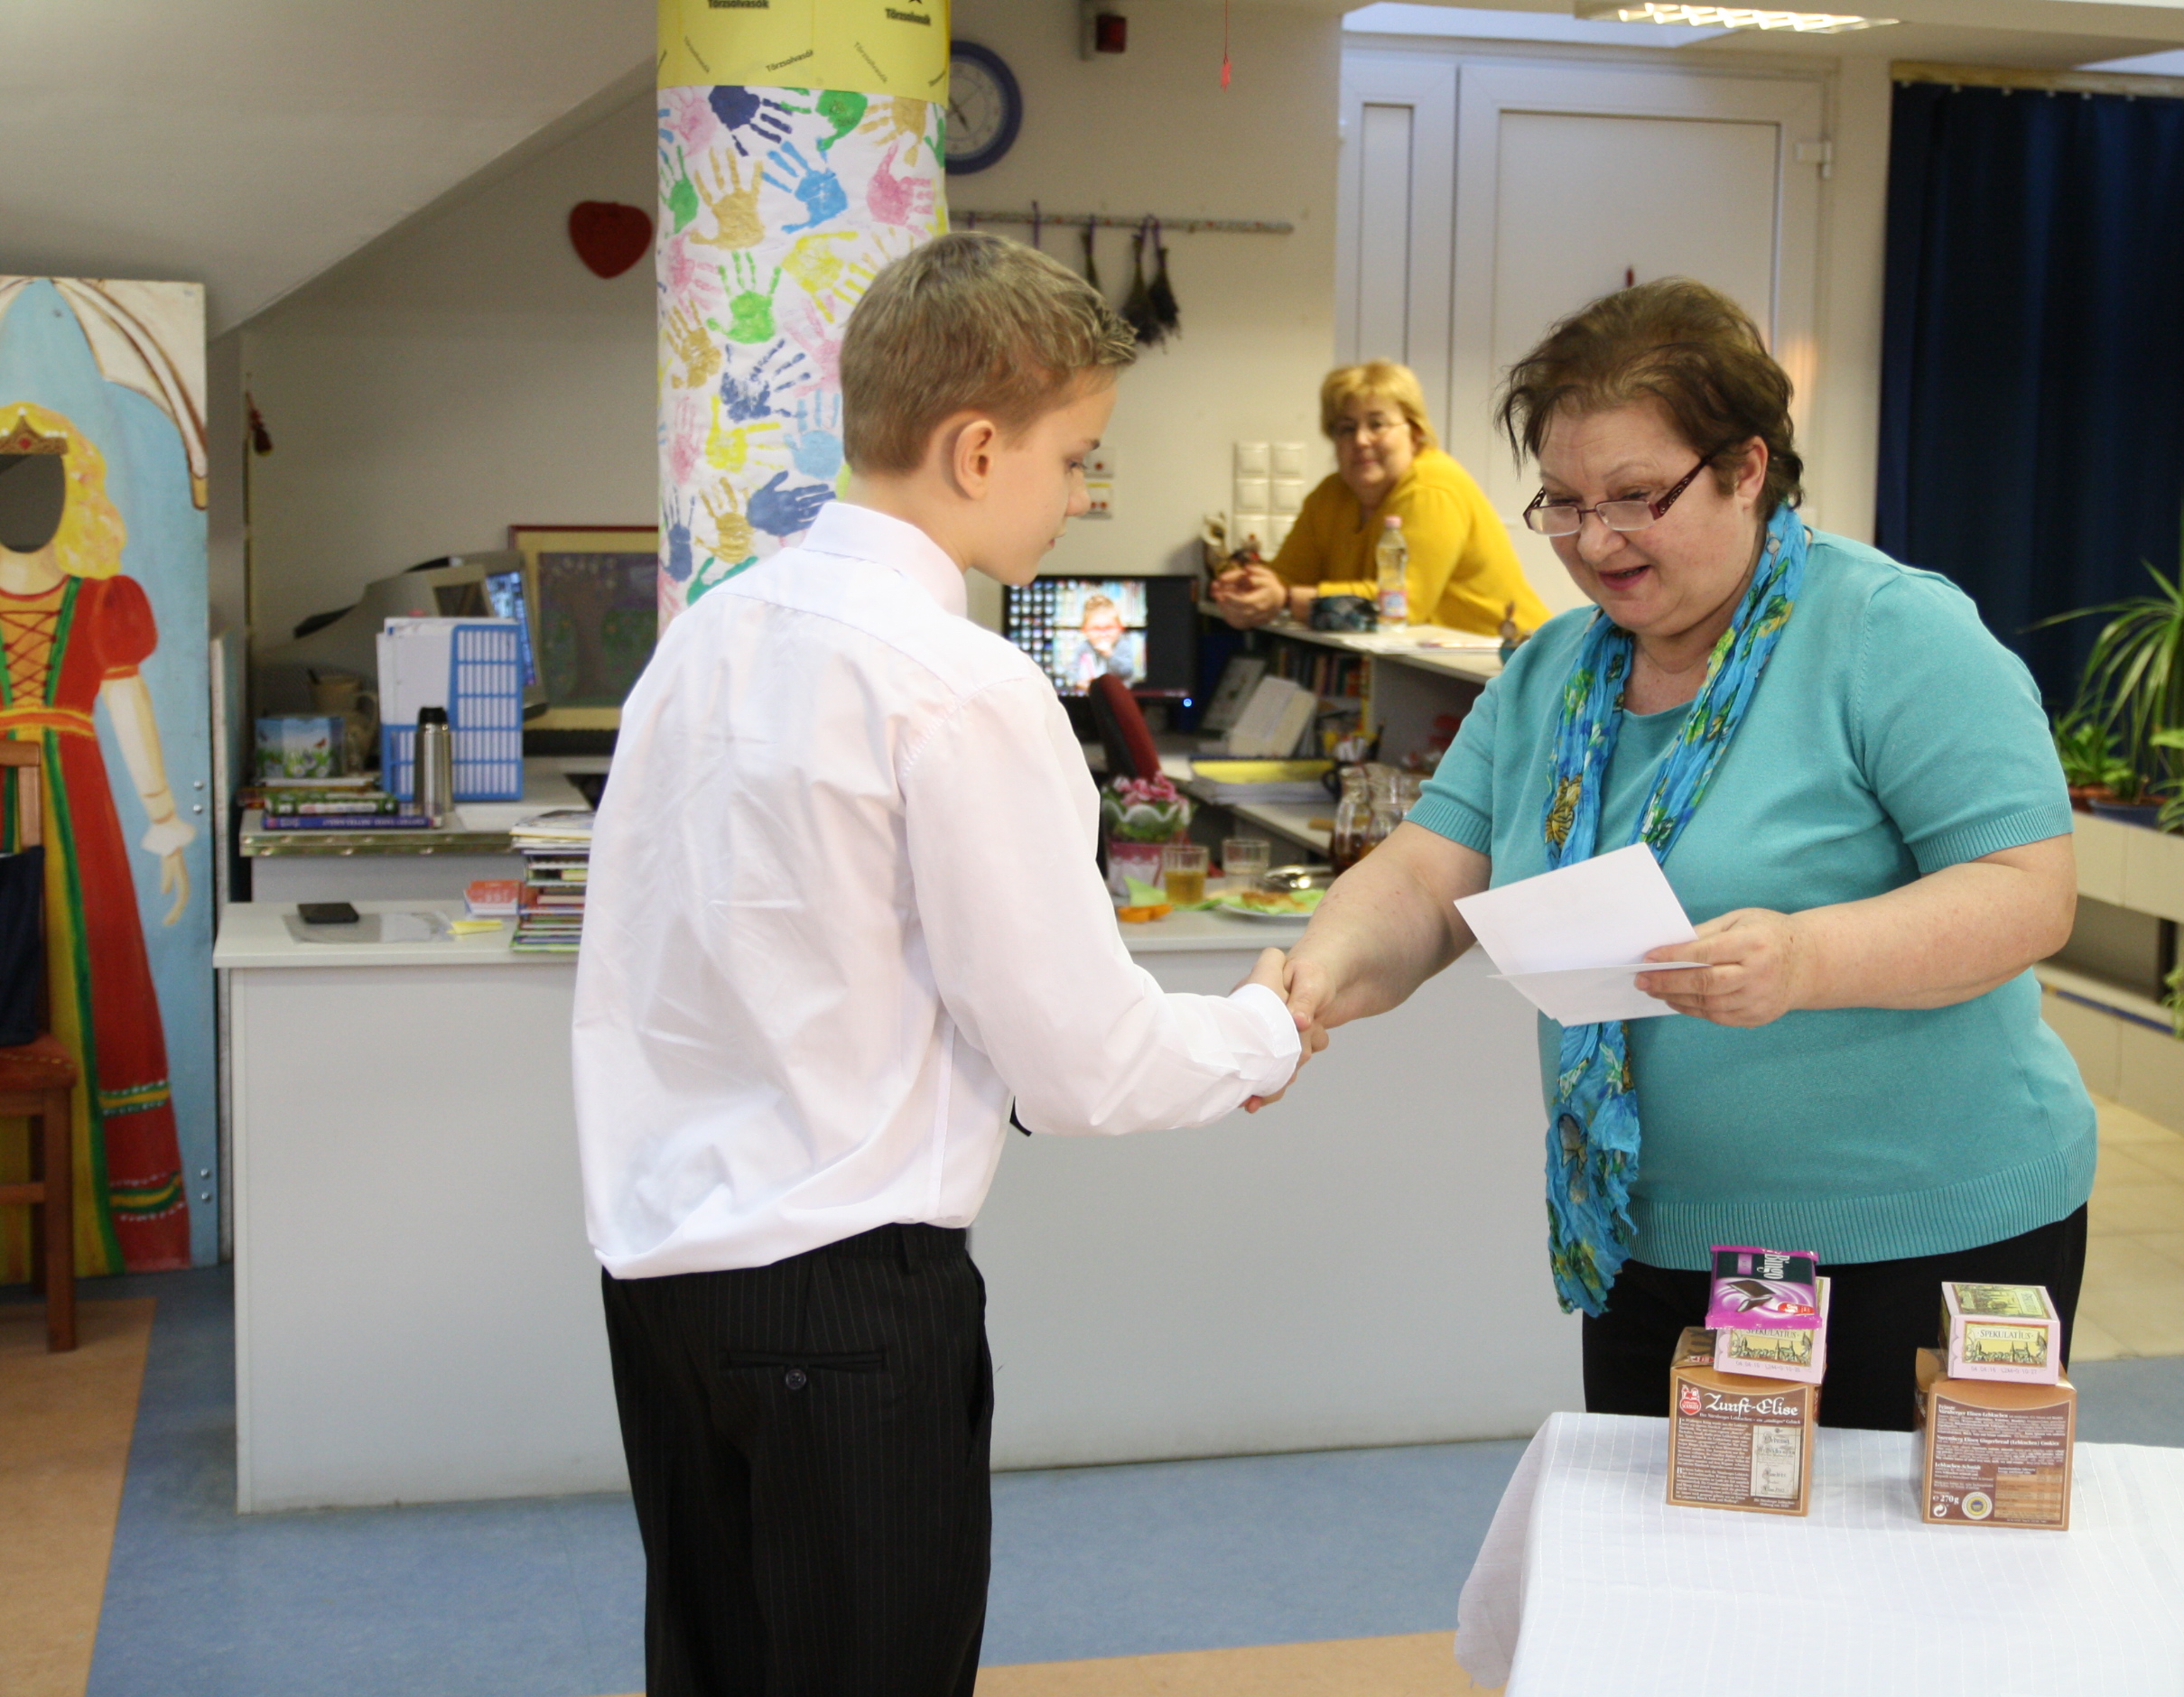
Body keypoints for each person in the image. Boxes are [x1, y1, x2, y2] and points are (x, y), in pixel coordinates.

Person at [573, 233, 1317, 1697]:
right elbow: (1081, 1064)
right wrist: (1262, 1031)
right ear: (979, 450)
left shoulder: (704, 641)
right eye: (1077, 457)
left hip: (662, 1279)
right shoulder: (962, 685)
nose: (1082, 493)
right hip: (848, 1297)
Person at [1278, 281, 2095, 1432]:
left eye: (1634, 497)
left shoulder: (1889, 631)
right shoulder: (1551, 674)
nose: (1593, 540)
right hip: (1647, 1232)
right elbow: (1422, 876)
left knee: (1877, 1548)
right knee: (1660, 1539)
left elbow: (2025, 893)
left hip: (1918, 1231)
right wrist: (1312, 976)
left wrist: (1804, 958)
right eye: (1563, 503)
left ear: (1745, 467)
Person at [0, 402, 193, 1275]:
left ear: (72, 492)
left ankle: (105, 1223)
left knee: (93, 976)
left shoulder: (102, 602)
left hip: (81, 817)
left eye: (42, 483)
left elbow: (128, 705)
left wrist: (164, 822)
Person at [1212, 360, 1551, 637]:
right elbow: (1287, 576)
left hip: (1508, 663)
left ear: (1415, 431)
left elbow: (1401, 605)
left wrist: (1285, 599)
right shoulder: (1331, 494)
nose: (1361, 440)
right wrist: (1249, 589)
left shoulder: (1432, 487)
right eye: (1346, 428)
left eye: (1377, 424)